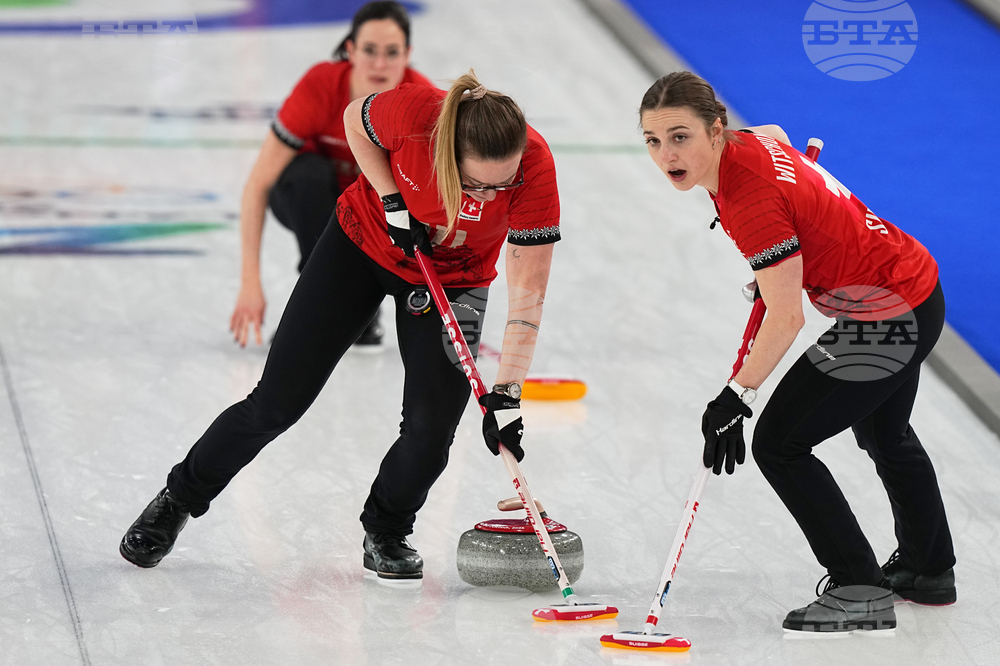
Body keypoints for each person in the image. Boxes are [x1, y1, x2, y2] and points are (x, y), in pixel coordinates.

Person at [120, 71, 561, 580]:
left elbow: (528, 298)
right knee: (277, 403)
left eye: (502, 184)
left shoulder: (535, 169)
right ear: (447, 153)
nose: (487, 197)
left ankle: (387, 530)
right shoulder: (416, 115)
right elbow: (355, 122)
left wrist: (507, 394)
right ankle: (178, 498)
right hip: (362, 246)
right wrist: (392, 200)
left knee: (431, 430)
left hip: (455, 280)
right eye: (476, 184)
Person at [639, 71, 955, 633]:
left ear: (716, 130)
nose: (667, 155)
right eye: (653, 140)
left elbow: (787, 319)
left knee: (780, 443)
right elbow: (777, 135)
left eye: (680, 137)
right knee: (885, 434)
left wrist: (735, 396)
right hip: (911, 283)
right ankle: (928, 569)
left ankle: (858, 587)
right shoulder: (745, 143)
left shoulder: (750, 203)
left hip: (887, 315)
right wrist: (780, 264)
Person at [230, 1, 434, 350]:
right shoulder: (321, 87)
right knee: (308, 174)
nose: (380, 64)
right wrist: (250, 282)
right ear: (350, 50)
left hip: (380, 211)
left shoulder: (422, 104)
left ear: (407, 54)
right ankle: (319, 307)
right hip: (308, 200)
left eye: (391, 52)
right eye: (369, 50)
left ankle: (362, 308)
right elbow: (259, 183)